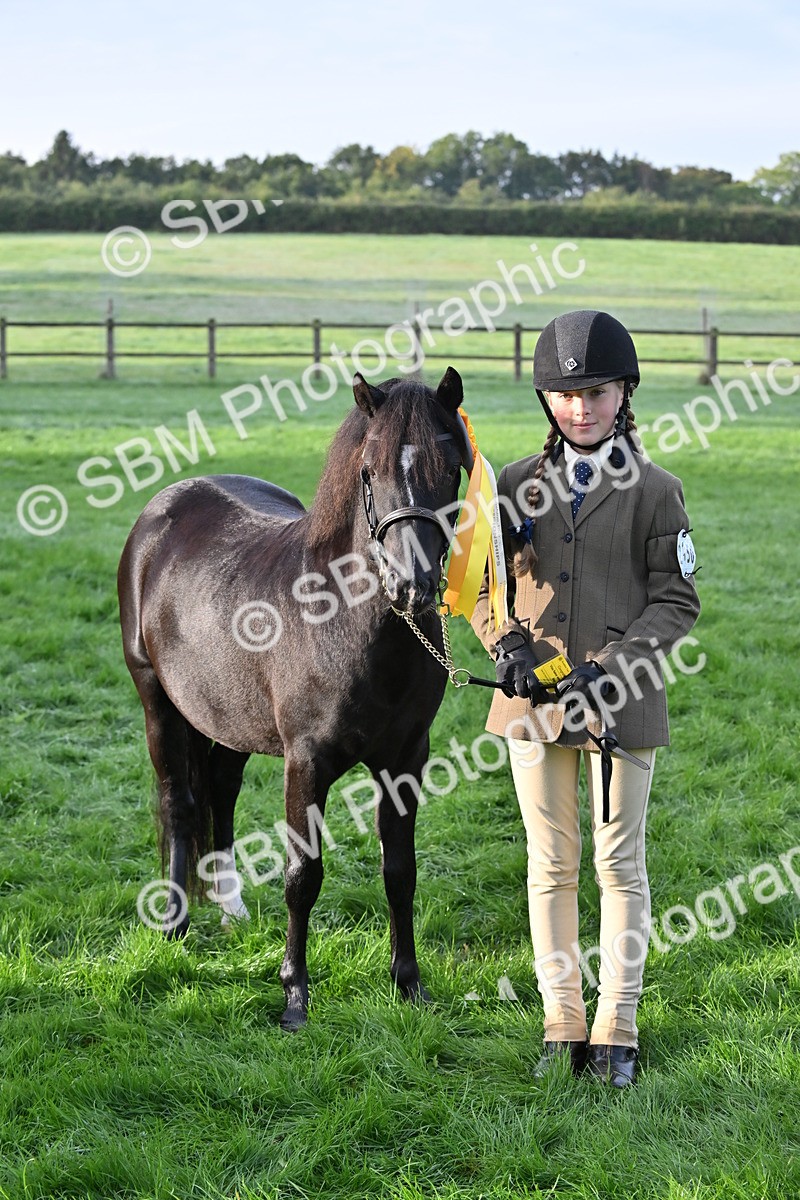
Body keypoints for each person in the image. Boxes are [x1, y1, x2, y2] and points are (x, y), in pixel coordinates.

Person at [470, 310, 701, 1088]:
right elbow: (479, 585)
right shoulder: (509, 484)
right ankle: (562, 1022)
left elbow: (676, 601)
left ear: (623, 392)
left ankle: (618, 1031)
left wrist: (613, 666)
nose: (580, 407)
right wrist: (503, 645)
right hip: (532, 703)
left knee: (618, 864)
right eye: (565, 394)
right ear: (545, 399)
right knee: (549, 864)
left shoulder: (658, 492)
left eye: (596, 391)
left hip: (621, 703)